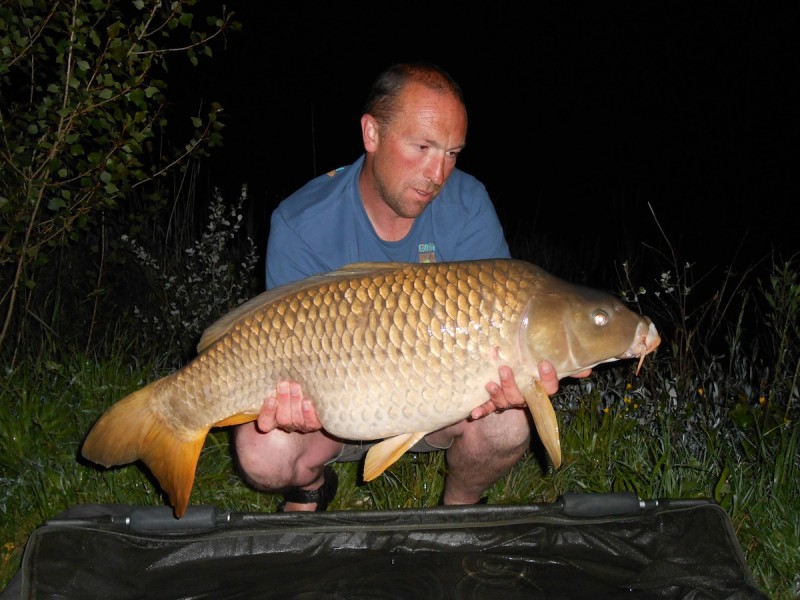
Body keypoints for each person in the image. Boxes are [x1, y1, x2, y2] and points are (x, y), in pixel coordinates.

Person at [233, 62, 590, 511]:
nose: (438, 173)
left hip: (438, 408)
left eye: (452, 152)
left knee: (510, 421)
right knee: (261, 452)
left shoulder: (468, 205)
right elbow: (278, 355)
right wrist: (289, 405)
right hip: (331, 416)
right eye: (422, 147)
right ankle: (309, 487)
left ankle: (459, 505)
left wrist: (520, 378)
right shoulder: (300, 221)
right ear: (372, 134)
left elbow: (507, 322)